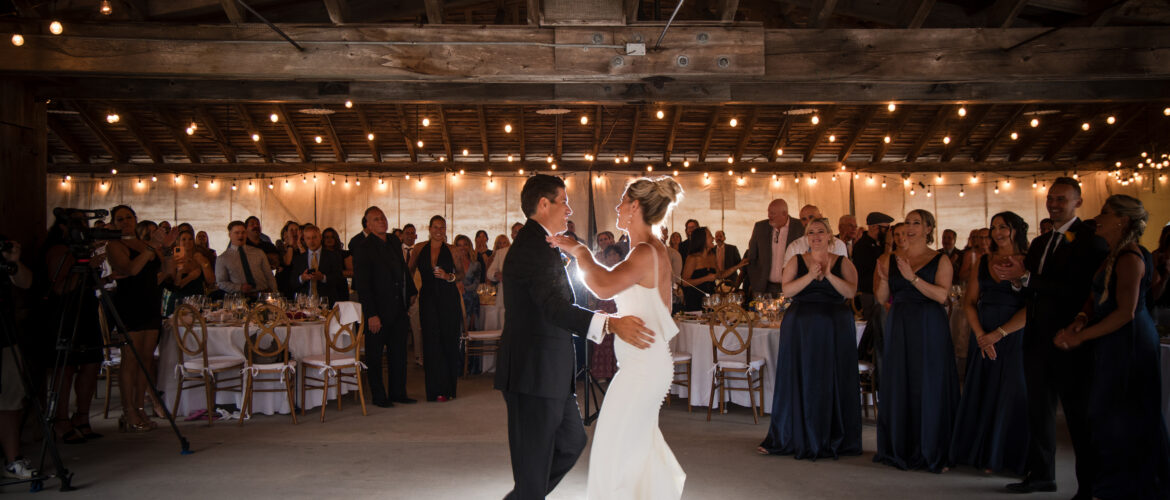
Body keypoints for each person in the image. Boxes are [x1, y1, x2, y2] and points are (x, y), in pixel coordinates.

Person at [495, 174, 655, 500]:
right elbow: (555, 308)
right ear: (544, 204)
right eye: (564, 201)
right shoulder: (531, 247)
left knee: (571, 441)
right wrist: (610, 324)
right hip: (533, 374)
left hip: (551, 372)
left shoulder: (545, 244)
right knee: (534, 464)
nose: (569, 210)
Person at [547, 176, 687, 499]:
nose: (617, 207)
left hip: (643, 369)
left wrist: (580, 252)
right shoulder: (650, 250)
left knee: (613, 446)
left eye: (622, 201)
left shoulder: (644, 252)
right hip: (645, 364)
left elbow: (604, 286)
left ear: (635, 206)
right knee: (635, 448)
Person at [995, 177, 1109, 496]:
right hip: (1036, 337)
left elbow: (1079, 291)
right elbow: (1032, 287)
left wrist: (1027, 278)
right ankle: (1042, 474)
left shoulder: (1091, 240)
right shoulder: (1042, 242)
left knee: (1077, 414)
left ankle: (1089, 485)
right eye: (1051, 198)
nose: (1054, 204)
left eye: (1062, 199)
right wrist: (1016, 281)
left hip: (1070, 338)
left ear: (1078, 202)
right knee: (1039, 410)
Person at [1052, 194, 1170, 500]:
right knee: (1105, 413)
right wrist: (1080, 318)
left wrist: (1081, 336)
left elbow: (1125, 312)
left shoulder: (1130, 256)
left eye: (1105, 213)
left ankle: (1132, 487)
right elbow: (1097, 297)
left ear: (1122, 220)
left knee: (1125, 415)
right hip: (1110, 339)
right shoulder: (1112, 254)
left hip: (1128, 341)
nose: (1098, 218)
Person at [758, 217, 862, 460]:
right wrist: (810, 276)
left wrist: (828, 274)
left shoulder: (843, 262)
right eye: (811, 232)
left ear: (830, 236)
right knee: (800, 377)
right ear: (806, 237)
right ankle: (791, 434)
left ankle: (834, 436)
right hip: (800, 328)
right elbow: (788, 290)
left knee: (832, 377)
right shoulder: (796, 260)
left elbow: (850, 291)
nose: (816, 236)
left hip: (835, 328)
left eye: (820, 232)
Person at [873, 209, 959, 473]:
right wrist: (885, 277)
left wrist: (912, 278)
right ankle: (900, 447)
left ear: (928, 229)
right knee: (900, 381)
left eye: (916, 223)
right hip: (899, 323)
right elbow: (880, 298)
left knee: (928, 383)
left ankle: (932, 448)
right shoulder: (892, 259)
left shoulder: (940, 259)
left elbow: (942, 296)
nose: (909, 227)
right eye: (907, 222)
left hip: (928, 325)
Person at [950, 212, 1030, 476]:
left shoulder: (1029, 261)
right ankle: (979, 452)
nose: (997, 232)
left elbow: (1035, 307)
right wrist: (980, 335)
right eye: (994, 227)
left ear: (1016, 230)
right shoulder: (983, 261)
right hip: (982, 334)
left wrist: (999, 333)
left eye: (1003, 227)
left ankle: (1003, 456)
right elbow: (969, 301)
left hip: (1014, 334)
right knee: (982, 391)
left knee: (1010, 393)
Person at [106, 205, 174, 432]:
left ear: (135, 219)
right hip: (129, 305)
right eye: (119, 219)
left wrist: (166, 250)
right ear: (113, 223)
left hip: (150, 303)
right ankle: (128, 412)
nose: (124, 222)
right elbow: (131, 269)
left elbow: (165, 272)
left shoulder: (145, 245)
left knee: (146, 359)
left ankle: (140, 408)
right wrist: (152, 247)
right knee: (130, 359)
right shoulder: (115, 245)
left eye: (128, 217)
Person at [42, 218, 106, 445]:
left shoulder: (82, 250)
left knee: (91, 363)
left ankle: (82, 416)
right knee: (66, 367)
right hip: (66, 312)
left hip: (86, 308)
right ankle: (61, 420)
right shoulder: (58, 250)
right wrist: (85, 266)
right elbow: (61, 287)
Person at [352, 207, 418, 407]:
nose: (382, 221)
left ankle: (398, 392)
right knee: (375, 354)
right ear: (368, 224)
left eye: (383, 218)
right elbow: (363, 285)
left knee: (399, 353)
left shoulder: (393, 241)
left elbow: (403, 270)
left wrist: (412, 292)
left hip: (398, 307)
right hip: (378, 311)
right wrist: (371, 314)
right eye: (376, 219)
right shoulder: (363, 248)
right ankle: (379, 396)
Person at [408, 216, 464, 402]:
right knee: (431, 343)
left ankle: (447, 389)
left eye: (442, 227)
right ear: (429, 228)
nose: (439, 231)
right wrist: (411, 293)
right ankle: (433, 390)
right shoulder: (418, 248)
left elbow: (461, 273)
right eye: (436, 227)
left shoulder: (453, 250)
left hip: (448, 299)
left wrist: (449, 277)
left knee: (448, 340)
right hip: (428, 299)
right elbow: (409, 270)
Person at [1, 236, 36, 477]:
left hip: (5, 336)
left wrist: (13, 261)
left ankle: (13, 459)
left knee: (11, 400)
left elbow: (26, 282)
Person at [744, 199, 804, 296]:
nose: (769, 216)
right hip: (764, 288)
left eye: (772, 213)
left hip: (792, 286)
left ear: (784, 213)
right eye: (768, 212)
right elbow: (752, 257)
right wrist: (755, 281)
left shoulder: (800, 227)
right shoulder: (760, 227)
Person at [288, 225, 348, 304]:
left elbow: (340, 279)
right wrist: (302, 278)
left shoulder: (333, 256)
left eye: (314, 237)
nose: (311, 241)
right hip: (305, 304)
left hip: (327, 303)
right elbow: (292, 282)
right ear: (304, 240)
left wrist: (323, 277)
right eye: (308, 238)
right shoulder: (299, 259)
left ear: (320, 237)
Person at [215, 220, 278, 294]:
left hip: (262, 295)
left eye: (243, 232)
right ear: (230, 235)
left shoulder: (258, 252)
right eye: (237, 233)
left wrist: (274, 292)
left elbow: (269, 275)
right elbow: (221, 283)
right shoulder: (223, 259)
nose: (240, 235)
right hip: (240, 297)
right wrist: (239, 287)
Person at [783, 205, 850, 263]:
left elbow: (843, 274)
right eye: (804, 219)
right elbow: (786, 273)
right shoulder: (794, 246)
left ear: (820, 217)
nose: (808, 222)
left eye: (811, 217)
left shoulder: (838, 245)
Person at [170, 229, 214, 301]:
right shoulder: (174, 260)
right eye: (184, 239)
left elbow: (211, 281)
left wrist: (204, 263)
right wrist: (190, 277)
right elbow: (174, 287)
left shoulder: (200, 256)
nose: (187, 241)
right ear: (178, 242)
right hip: (179, 300)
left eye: (190, 239)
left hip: (198, 299)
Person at [681, 227, 717, 311]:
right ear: (702, 240)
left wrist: (738, 266)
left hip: (710, 299)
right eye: (710, 236)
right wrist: (706, 278)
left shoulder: (712, 255)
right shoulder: (692, 258)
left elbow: (719, 274)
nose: (713, 238)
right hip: (695, 300)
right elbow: (684, 282)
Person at [455, 234, 481, 330]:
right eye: (459, 245)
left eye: (465, 244)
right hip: (456, 298)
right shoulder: (452, 263)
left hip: (471, 300)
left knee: (470, 330)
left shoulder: (476, 264)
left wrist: (463, 289)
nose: (462, 247)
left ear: (469, 246)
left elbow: (476, 284)